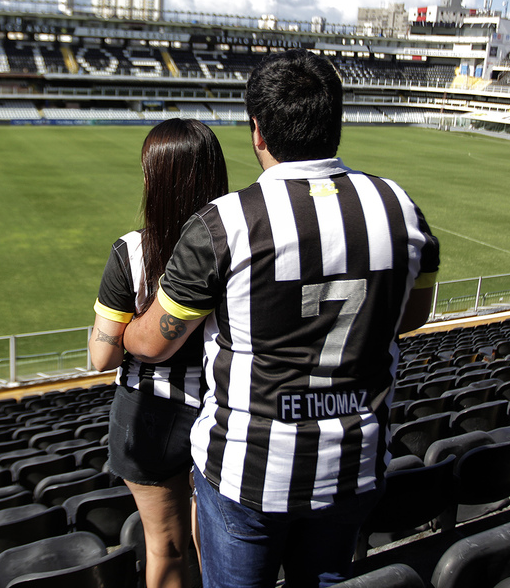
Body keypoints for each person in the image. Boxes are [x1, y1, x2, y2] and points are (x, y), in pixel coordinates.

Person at [123, 50, 440, 588]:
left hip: (248, 473)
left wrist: (127, 329)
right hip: (354, 463)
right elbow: (410, 316)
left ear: (257, 131)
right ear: (336, 122)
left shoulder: (223, 223)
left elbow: (153, 344)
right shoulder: (399, 207)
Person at [89, 117, 229, 588]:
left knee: (164, 546)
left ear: (155, 179)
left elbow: (102, 358)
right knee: (212, 539)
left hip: (147, 415)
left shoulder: (131, 251)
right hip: (222, 408)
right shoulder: (237, 242)